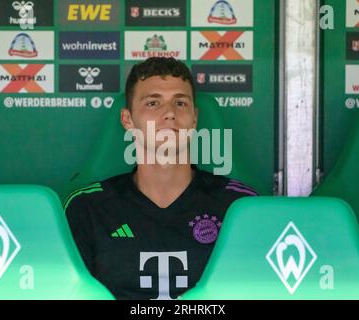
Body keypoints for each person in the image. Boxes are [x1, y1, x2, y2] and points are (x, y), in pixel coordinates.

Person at [64, 57, 258, 300]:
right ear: (127, 119)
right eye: (153, 103)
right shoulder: (88, 208)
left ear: (195, 118)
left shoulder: (239, 206)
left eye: (180, 103)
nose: (169, 113)